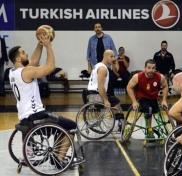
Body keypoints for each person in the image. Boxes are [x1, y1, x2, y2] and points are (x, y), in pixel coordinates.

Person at [8, 35, 77, 168]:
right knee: (72, 126)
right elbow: (50, 67)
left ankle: (57, 155)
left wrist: (39, 44)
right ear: (18, 59)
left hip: (24, 117)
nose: (26, 52)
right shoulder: (26, 72)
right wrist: (48, 46)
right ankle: (59, 161)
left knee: (62, 125)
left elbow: (33, 60)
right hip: (37, 116)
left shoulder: (13, 72)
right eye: (23, 52)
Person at [126, 59, 168, 138]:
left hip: (154, 99)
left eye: (153, 68)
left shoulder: (160, 77)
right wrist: (134, 101)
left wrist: (164, 100)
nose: (151, 70)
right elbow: (129, 88)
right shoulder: (137, 77)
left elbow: (165, 87)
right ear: (145, 68)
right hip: (142, 98)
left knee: (154, 109)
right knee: (149, 109)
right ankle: (149, 130)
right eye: (149, 68)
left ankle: (162, 131)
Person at [87, 50, 124, 131]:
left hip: (92, 92)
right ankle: (115, 125)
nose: (113, 59)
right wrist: (106, 100)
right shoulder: (102, 69)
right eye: (111, 56)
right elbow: (100, 86)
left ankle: (115, 122)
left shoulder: (98, 65)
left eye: (114, 56)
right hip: (95, 93)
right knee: (117, 102)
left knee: (113, 98)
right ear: (105, 57)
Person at [0, 31, 8, 96]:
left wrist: (6, 59)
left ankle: (1, 91)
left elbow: (4, 50)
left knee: (1, 76)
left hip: (1, 60)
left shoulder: (2, 40)